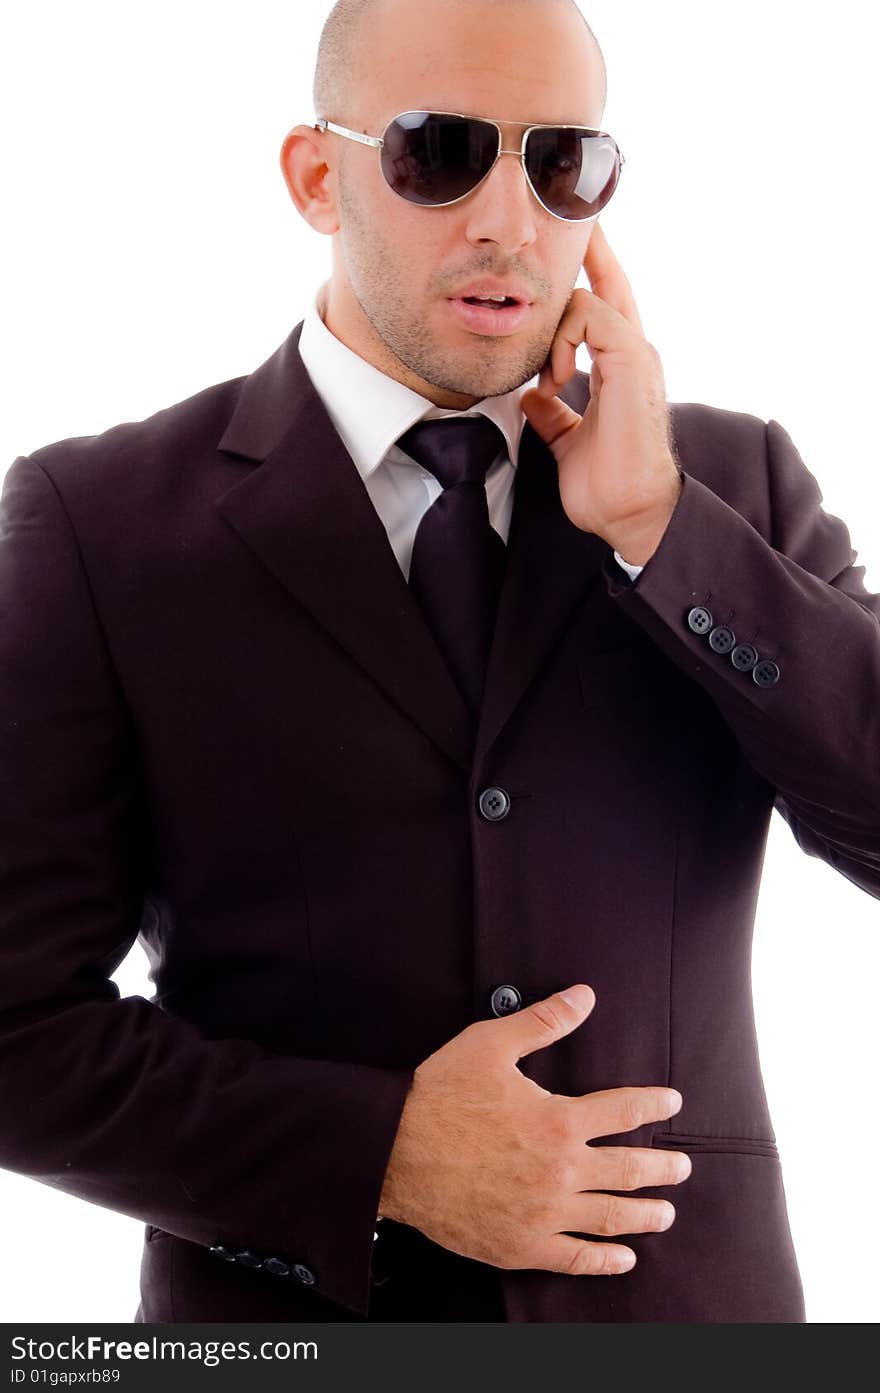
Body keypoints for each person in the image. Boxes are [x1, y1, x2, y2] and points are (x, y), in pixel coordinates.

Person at [1, 0, 877, 1325]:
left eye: (561, 162)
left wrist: (664, 531)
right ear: (316, 174)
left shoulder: (730, 485)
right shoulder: (98, 522)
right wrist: (380, 1153)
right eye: (441, 151)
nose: (510, 222)